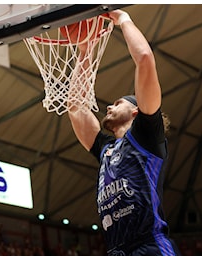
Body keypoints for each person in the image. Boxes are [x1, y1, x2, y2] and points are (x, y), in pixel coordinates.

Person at [67, 9, 178, 256]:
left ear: (136, 111)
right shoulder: (106, 149)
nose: (108, 106)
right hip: (116, 251)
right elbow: (75, 107)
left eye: (118, 103)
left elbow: (145, 59)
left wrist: (122, 19)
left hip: (149, 246)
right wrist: (85, 51)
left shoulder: (147, 136)